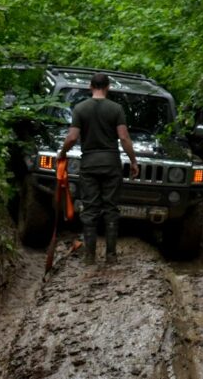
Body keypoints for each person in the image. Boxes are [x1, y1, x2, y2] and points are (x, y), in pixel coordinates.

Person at [57, 73, 140, 264]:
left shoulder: (80, 108)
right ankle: (111, 256)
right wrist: (133, 161)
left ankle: (89, 257)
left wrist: (62, 153)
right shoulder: (116, 109)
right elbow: (124, 138)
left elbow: (71, 138)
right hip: (111, 163)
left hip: (89, 164)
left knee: (90, 210)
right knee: (111, 209)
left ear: (90, 86)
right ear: (108, 87)